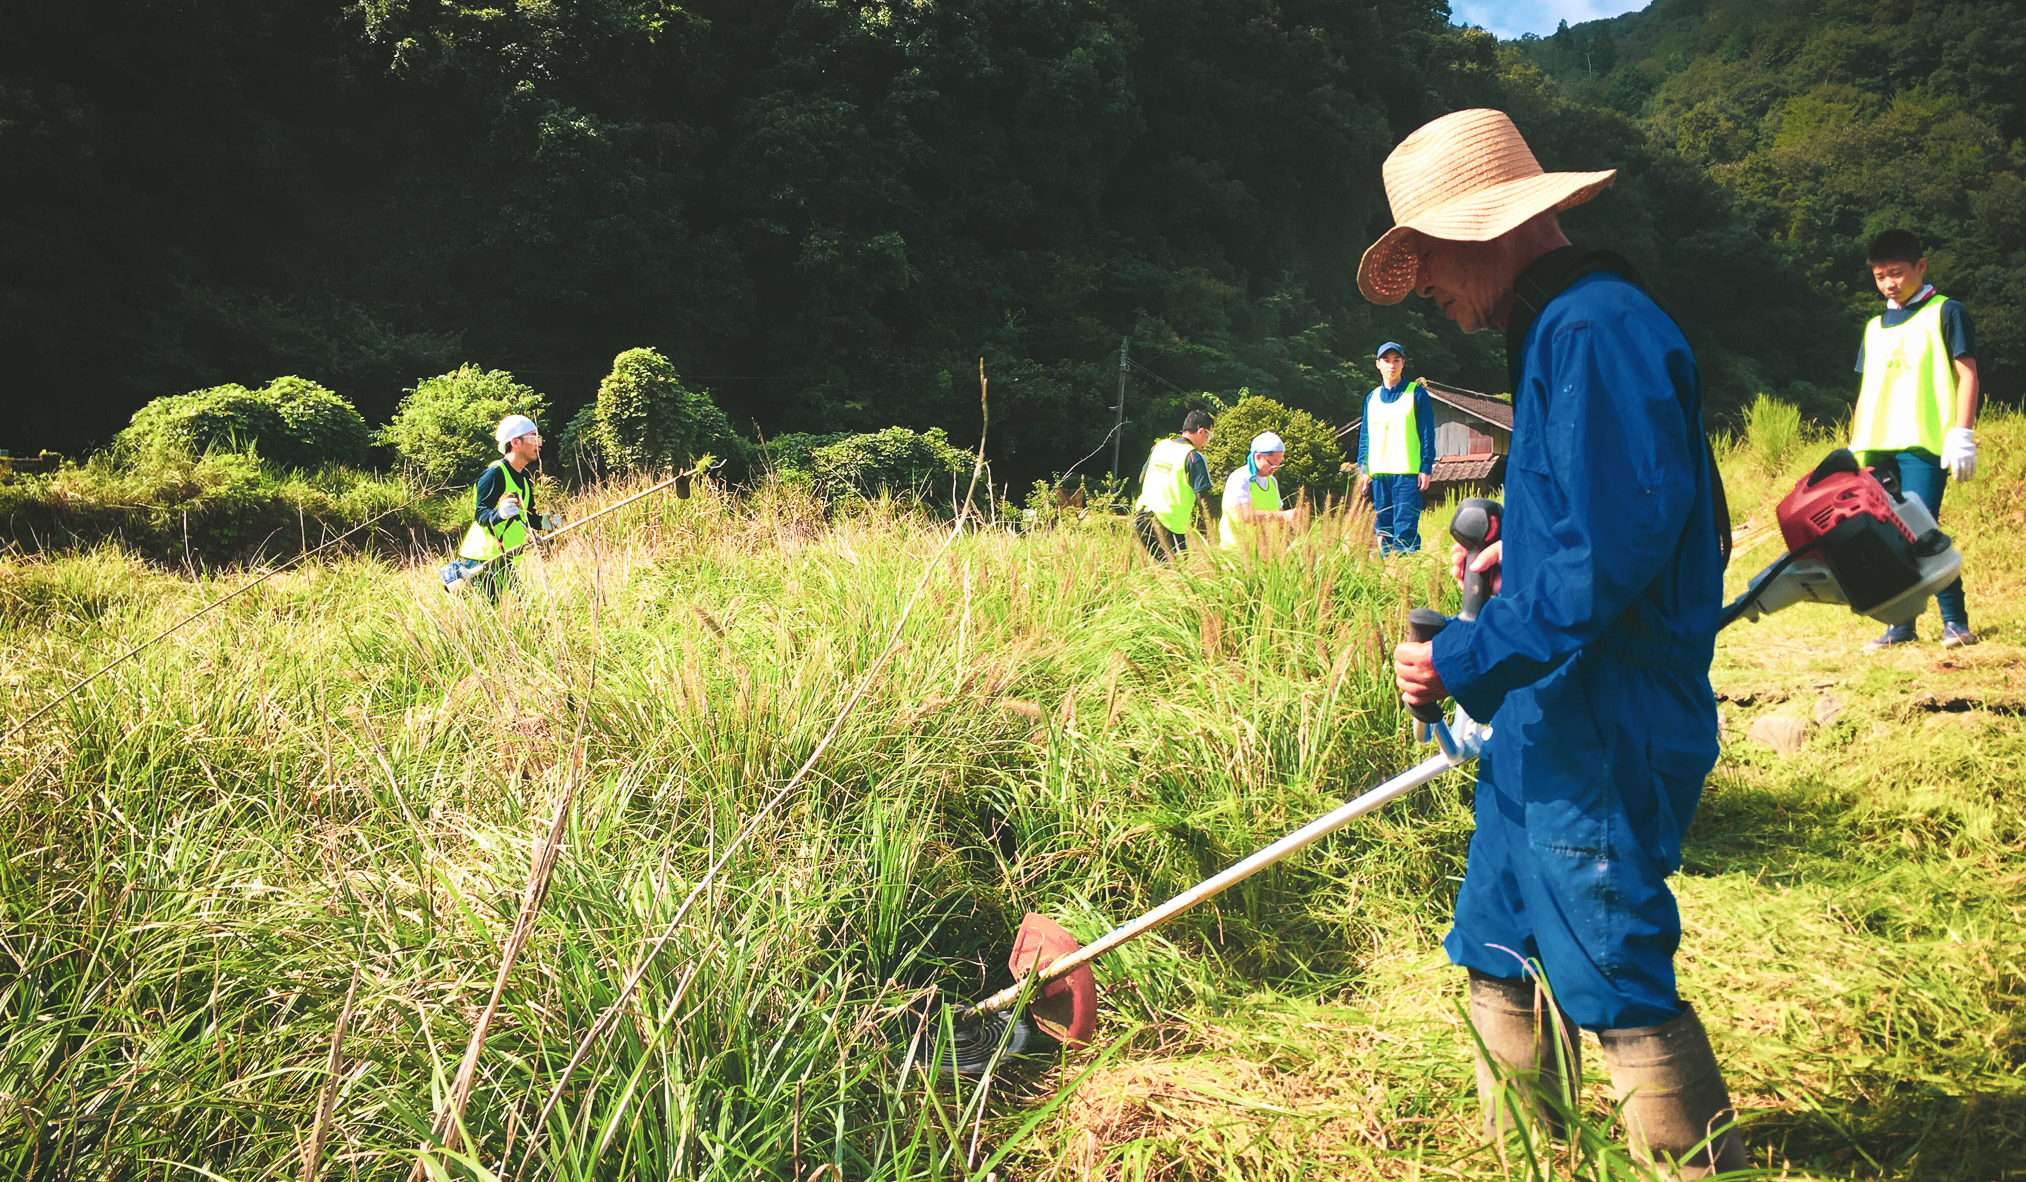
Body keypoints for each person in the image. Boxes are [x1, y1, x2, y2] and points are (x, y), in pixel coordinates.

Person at [1367, 109, 1745, 1175]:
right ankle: (1534, 1156)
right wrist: (1505, 567)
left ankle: (1680, 1162)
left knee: (1606, 951)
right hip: (1548, 702)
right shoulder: (1550, 330)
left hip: (1604, 704)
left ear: (1487, 230)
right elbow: (1591, 526)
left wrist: (1461, 658)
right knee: (1494, 934)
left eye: (1428, 259)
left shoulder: (1594, 328)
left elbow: (1607, 562)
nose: (1427, 291)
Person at [1851, 228, 1980, 651]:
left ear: (1921, 266)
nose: (1890, 283)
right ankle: (1901, 625)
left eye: (1898, 273)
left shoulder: (1946, 312)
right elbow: (1865, 390)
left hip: (1924, 441)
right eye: (1881, 276)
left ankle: (1955, 622)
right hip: (1877, 444)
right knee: (1886, 534)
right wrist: (1855, 449)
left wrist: (1962, 433)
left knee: (1922, 530)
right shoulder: (1874, 327)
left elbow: (1967, 374)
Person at [456, 414, 560, 601]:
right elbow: (481, 514)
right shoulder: (495, 473)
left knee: (514, 610)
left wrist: (544, 522)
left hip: (506, 558)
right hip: (484, 558)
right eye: (533, 437)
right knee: (510, 610)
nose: (539, 443)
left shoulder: (525, 478)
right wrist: (499, 514)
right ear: (515, 442)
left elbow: (526, 516)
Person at [1358, 343, 1435, 553]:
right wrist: (1363, 469)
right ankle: (1388, 575)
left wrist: (1426, 466)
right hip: (1379, 474)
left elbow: (1427, 433)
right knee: (1384, 530)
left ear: (1403, 364)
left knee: (1405, 528)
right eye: (1386, 360)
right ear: (1378, 364)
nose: (1391, 365)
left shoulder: (1416, 394)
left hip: (1407, 473)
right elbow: (1365, 435)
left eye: (1396, 360)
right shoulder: (1371, 398)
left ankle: (1405, 575)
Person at [1132, 410, 1214, 560]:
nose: (1208, 440)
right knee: (1178, 576)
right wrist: (1211, 532)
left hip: (1141, 520)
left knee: (1158, 574)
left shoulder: (1160, 446)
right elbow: (1203, 501)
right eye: (1209, 435)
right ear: (1201, 431)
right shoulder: (1193, 457)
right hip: (1167, 527)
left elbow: (1141, 479)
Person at [1219, 432, 1301, 550]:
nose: (1275, 468)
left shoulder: (1272, 481)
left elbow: (1278, 515)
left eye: (1279, 464)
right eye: (1272, 463)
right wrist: (1283, 516)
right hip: (1237, 553)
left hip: (1265, 553)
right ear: (1258, 456)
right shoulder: (1240, 478)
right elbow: (1246, 515)